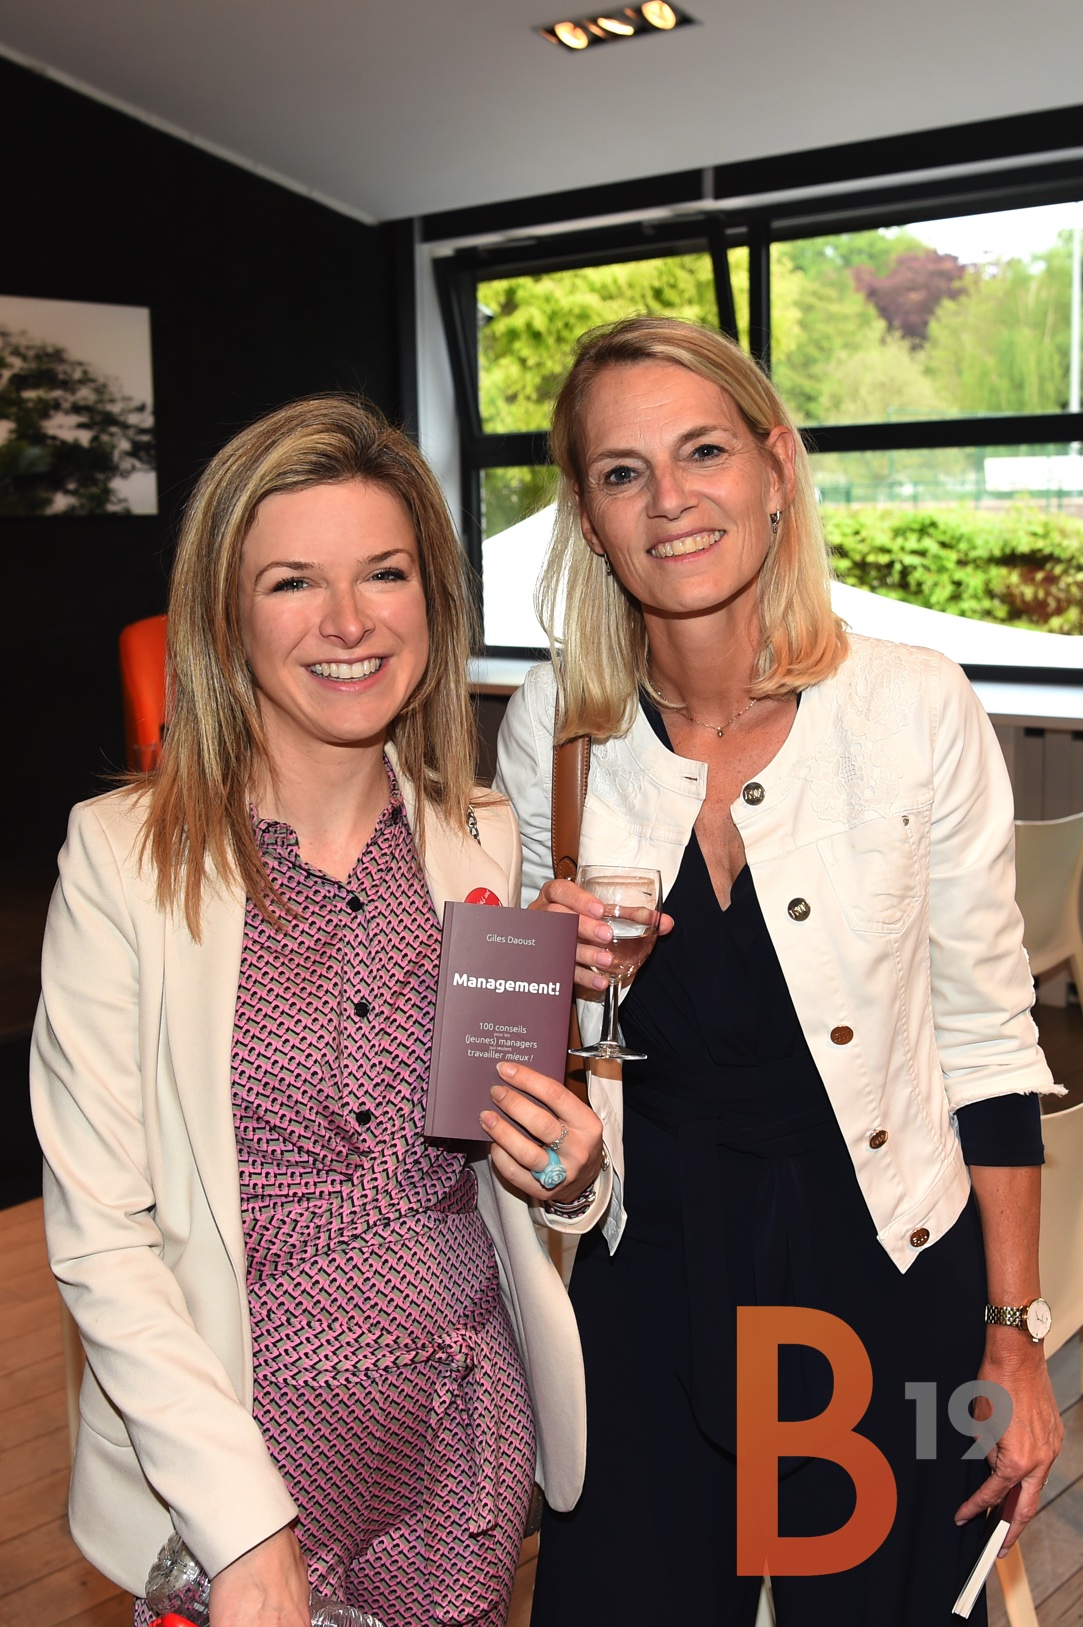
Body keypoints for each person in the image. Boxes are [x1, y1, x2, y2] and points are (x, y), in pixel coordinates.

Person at [494, 317, 1064, 1626]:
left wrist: (1011, 1331)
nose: (669, 498)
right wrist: (566, 975)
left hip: (883, 1273)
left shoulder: (913, 705)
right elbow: (543, 1065)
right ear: (588, 518)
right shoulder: (558, 728)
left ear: (775, 466)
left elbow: (986, 1041)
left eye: (702, 451)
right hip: (646, 1275)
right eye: (622, 471)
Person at [30, 396, 606, 1627]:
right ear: (225, 617)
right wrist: (244, 1524)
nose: (349, 621)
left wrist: (568, 1172)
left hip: (463, 1425)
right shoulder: (123, 858)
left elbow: (519, 1161)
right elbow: (99, 1234)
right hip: (237, 1453)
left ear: (431, 599)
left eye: (384, 573)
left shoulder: (483, 837)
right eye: (293, 582)